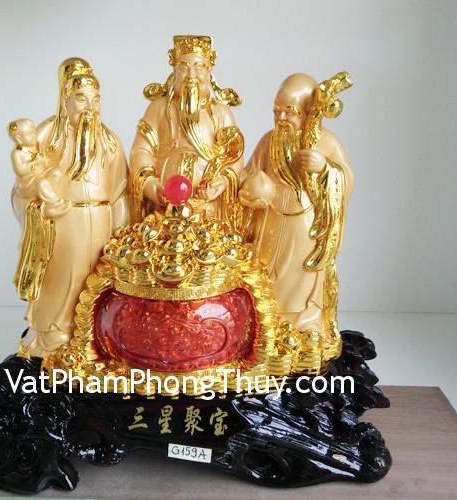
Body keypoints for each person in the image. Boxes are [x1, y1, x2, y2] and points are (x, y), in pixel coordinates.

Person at [18, 58, 129, 358]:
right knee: (64, 278)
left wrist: (121, 233)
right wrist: (41, 210)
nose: (90, 107)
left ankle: (96, 341)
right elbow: (25, 183)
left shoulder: (110, 141)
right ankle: (52, 340)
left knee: (98, 280)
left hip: (102, 220)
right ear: (65, 99)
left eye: (95, 99)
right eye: (81, 98)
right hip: (66, 221)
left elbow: (121, 191)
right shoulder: (48, 135)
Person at [239, 73, 354, 340]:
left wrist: (325, 168)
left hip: (305, 228)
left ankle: (305, 324)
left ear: (306, 112)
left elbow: (346, 179)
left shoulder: (326, 142)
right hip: (269, 223)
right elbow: (247, 174)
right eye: (276, 111)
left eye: (289, 112)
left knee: (301, 276)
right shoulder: (268, 141)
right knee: (266, 275)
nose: (281, 118)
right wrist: (252, 188)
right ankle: (264, 323)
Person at [130, 35, 244, 223]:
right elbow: (141, 150)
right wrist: (150, 184)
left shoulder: (220, 113)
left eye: (198, 68)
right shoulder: (158, 108)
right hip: (164, 207)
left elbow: (233, 157)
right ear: (174, 70)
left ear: (208, 70)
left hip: (207, 208)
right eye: (183, 68)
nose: (191, 76)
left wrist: (221, 183)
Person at [8, 118, 70, 231]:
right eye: (29, 134)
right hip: (27, 183)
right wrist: (34, 163)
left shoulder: (37, 146)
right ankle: (54, 202)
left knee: (56, 173)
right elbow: (20, 170)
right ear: (19, 139)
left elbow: (45, 162)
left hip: (41, 174)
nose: (33, 135)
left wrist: (46, 158)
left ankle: (51, 195)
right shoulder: (17, 153)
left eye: (33, 132)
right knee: (42, 183)